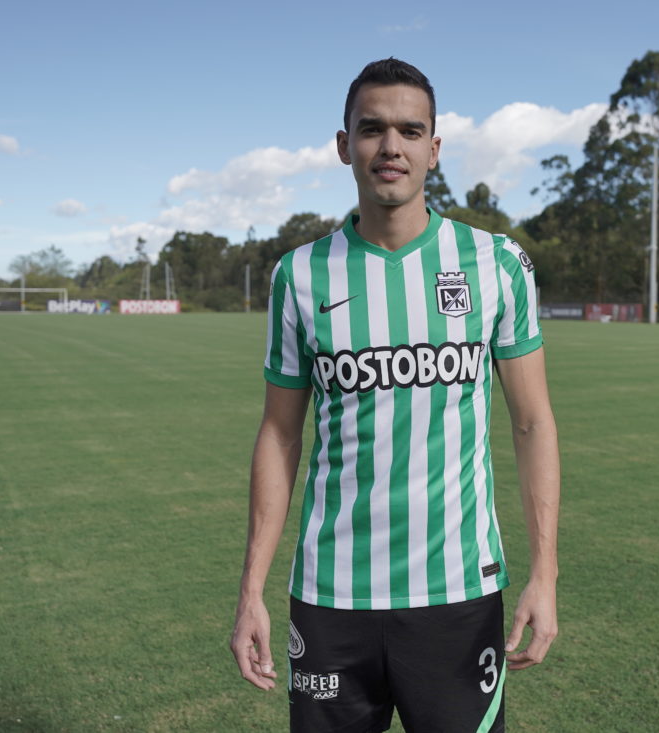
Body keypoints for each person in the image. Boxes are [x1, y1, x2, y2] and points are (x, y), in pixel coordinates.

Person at [230, 58, 560, 733]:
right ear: (344, 144)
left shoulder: (494, 264)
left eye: (411, 131)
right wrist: (251, 591)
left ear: (434, 149)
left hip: (459, 596)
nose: (391, 147)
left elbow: (532, 424)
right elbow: (279, 434)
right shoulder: (299, 275)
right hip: (330, 599)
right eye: (372, 128)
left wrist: (545, 574)